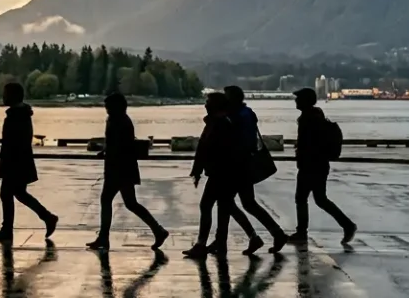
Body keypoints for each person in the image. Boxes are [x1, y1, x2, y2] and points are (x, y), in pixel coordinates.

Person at [88, 92, 169, 250]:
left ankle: (104, 237)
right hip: (122, 167)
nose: (105, 109)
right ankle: (157, 230)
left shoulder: (120, 121)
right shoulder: (118, 120)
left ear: (115, 106)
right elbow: (114, 142)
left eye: (108, 106)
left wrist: (108, 153)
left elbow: (120, 145)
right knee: (130, 203)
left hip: (119, 168)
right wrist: (105, 150)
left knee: (110, 200)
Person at [185, 91, 256, 258]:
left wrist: (199, 169)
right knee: (225, 207)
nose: (205, 105)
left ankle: (202, 244)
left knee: (208, 205)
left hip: (221, 173)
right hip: (224, 173)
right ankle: (225, 243)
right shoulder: (219, 122)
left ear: (215, 105)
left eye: (208, 102)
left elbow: (206, 149)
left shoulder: (219, 124)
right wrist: (198, 170)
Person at [0, 82, 58, 242]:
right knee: (18, 193)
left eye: (5, 93)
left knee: (8, 193)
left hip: (16, 163)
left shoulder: (17, 116)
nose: (3, 96)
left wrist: (7, 164)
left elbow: (14, 143)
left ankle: (9, 229)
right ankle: (46, 218)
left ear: (12, 96)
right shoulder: (21, 114)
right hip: (20, 162)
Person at [287, 88, 356, 245]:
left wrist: (302, 158)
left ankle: (302, 233)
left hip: (311, 165)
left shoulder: (308, 119)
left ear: (304, 101)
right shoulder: (316, 116)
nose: (295, 101)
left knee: (302, 198)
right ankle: (347, 225)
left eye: (298, 98)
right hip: (319, 164)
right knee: (320, 199)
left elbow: (308, 144)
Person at [225, 85, 289, 254]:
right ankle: (275, 233)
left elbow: (242, 142)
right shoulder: (246, 114)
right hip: (243, 164)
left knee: (229, 202)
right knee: (248, 203)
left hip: (239, 166)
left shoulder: (239, 117)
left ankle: (256, 236)